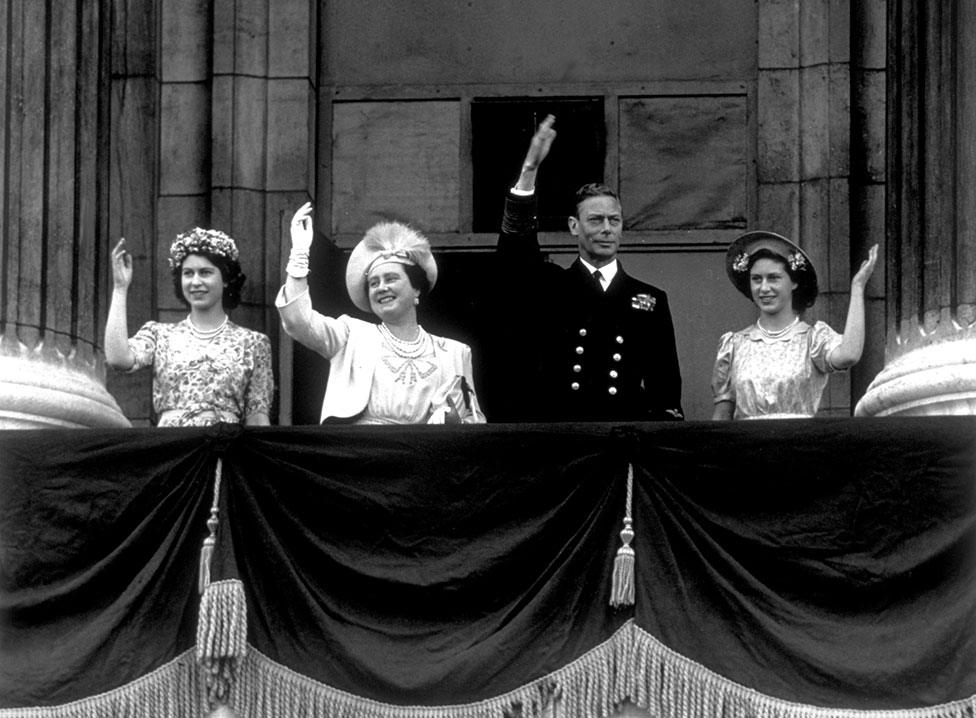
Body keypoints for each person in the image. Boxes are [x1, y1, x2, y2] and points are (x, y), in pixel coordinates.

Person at [491, 114, 683, 422]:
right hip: (566, 440)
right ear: (574, 226)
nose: (607, 229)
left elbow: (666, 388)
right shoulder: (551, 287)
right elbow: (516, 251)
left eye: (614, 221)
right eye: (595, 220)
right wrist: (530, 169)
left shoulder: (648, 298)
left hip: (622, 438)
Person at [276, 202, 485, 425]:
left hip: (425, 456)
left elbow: (474, 424)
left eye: (391, 278)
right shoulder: (351, 335)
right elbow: (299, 322)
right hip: (363, 453)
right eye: (374, 283)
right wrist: (298, 256)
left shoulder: (454, 352)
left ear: (416, 289)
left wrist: (455, 421)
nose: (381, 287)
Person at [104, 229, 274, 426]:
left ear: (226, 279)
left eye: (205, 273)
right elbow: (117, 359)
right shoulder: (160, 335)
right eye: (188, 273)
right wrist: (120, 288)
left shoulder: (253, 343)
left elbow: (258, 418)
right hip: (174, 448)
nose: (195, 282)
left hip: (224, 448)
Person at [711, 231, 878, 420]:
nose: (764, 288)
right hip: (747, 445)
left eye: (773, 278)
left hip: (798, 443)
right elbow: (721, 418)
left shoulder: (813, 339)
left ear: (794, 283)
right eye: (757, 279)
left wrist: (857, 288)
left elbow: (849, 355)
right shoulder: (734, 345)